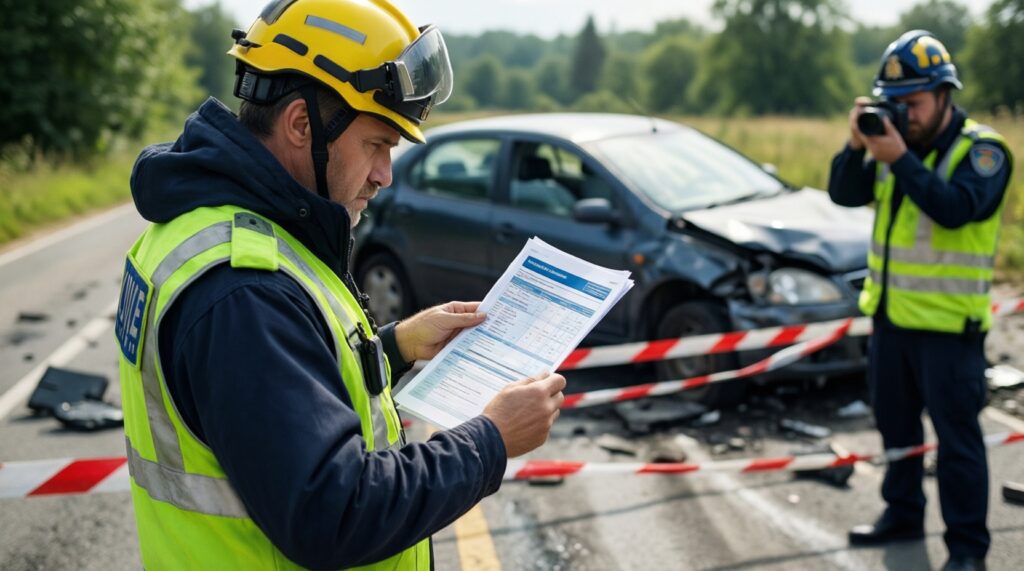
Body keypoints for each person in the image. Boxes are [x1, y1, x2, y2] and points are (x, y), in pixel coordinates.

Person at [113, 1, 566, 569]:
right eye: (377, 144)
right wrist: (491, 441)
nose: (385, 175)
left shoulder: (231, 229)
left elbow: (286, 384)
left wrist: (395, 347)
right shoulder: (242, 287)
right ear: (302, 125)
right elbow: (334, 511)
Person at [828, 30, 1013, 571]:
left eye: (913, 103)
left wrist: (901, 157)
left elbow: (957, 209)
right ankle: (902, 512)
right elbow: (843, 193)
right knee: (896, 430)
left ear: (944, 95)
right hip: (890, 322)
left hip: (950, 331)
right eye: (895, 103)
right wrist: (857, 145)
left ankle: (968, 551)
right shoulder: (890, 144)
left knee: (958, 445)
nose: (904, 114)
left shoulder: (982, 151)